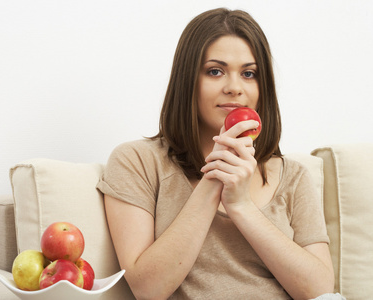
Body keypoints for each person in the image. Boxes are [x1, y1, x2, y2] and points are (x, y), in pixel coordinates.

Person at [97, 8, 345, 300]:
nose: (234, 88)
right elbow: (148, 289)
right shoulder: (137, 161)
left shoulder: (294, 176)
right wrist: (215, 178)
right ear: (188, 80)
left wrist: (242, 206)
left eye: (249, 74)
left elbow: (320, 291)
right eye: (215, 71)